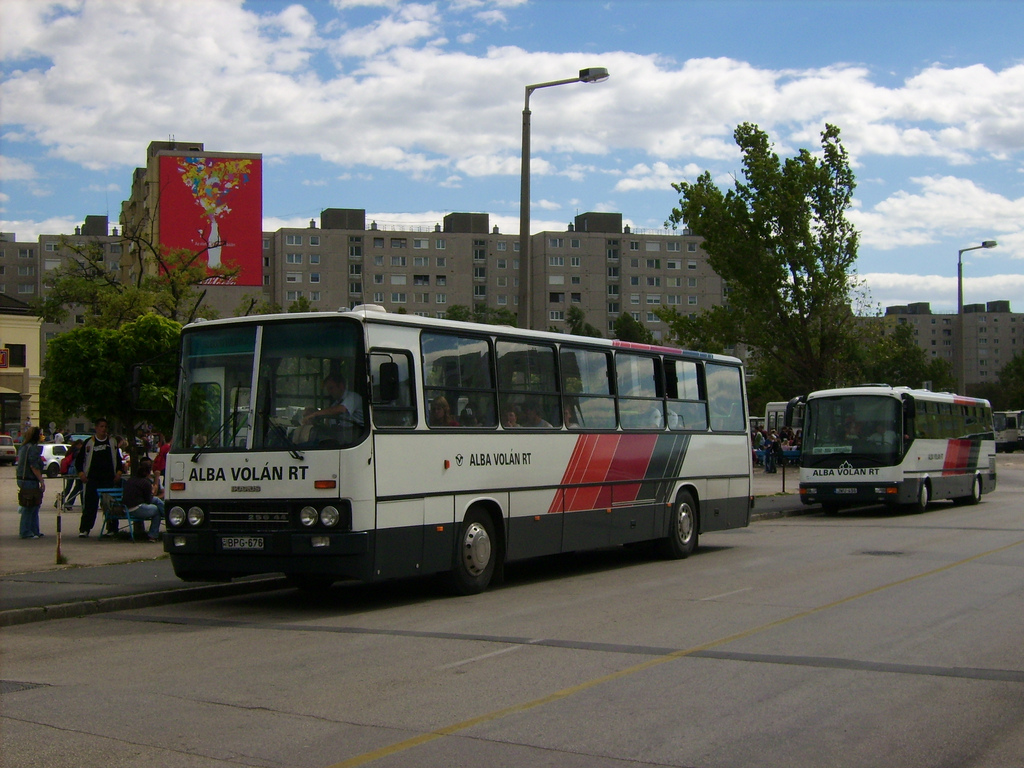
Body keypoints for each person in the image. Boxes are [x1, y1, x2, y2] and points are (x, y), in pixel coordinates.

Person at [75, 418, 124, 538]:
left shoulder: (112, 443)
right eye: (101, 426)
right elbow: (79, 462)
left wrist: (118, 473)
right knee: (90, 505)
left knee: (110, 505)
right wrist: (82, 474)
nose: (103, 429)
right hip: (92, 479)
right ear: (96, 428)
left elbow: (118, 461)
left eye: (105, 427)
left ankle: (112, 528)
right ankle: (85, 529)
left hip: (108, 479)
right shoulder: (89, 443)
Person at [121, 458, 164, 542]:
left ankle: (154, 535)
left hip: (126, 508)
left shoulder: (131, 480)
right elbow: (148, 500)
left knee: (156, 501)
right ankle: (153, 534)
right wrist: (153, 489)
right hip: (136, 508)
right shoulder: (146, 483)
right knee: (157, 509)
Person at [17, 426, 45, 539]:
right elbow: (34, 466)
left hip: (23, 479)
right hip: (29, 480)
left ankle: (34, 530)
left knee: (33, 505)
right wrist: (41, 481)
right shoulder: (32, 448)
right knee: (30, 507)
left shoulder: (24, 447)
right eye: (40, 434)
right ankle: (26, 531)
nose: (42, 436)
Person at [58, 439, 84, 509]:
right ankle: (70, 503)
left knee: (69, 487)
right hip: (75, 470)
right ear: (78, 445)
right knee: (79, 487)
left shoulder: (71, 450)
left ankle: (60, 502)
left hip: (70, 470)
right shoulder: (77, 452)